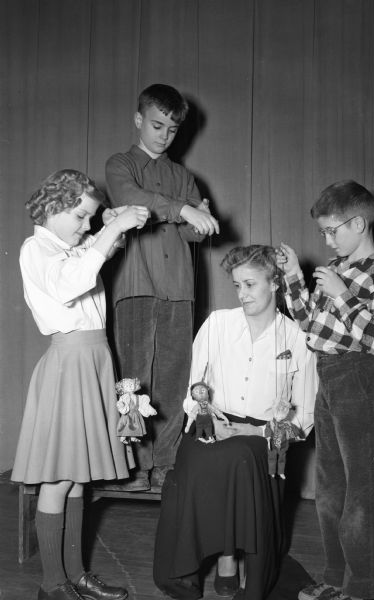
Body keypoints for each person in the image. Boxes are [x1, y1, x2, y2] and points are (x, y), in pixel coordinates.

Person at [11, 169, 149, 600]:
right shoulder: (37, 248)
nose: (85, 225)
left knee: (77, 479)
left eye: (89, 218)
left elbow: (96, 252)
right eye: (79, 215)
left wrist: (113, 225)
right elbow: (72, 283)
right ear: (53, 207)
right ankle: (53, 584)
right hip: (69, 362)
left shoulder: (68, 247)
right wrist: (112, 229)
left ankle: (76, 574)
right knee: (58, 479)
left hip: (94, 359)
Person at [153, 245, 317, 600]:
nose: (242, 294)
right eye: (237, 286)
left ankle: (243, 567)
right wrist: (208, 417)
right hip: (215, 422)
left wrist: (258, 430)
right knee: (194, 458)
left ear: (275, 283)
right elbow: (191, 393)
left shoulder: (299, 337)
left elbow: (304, 419)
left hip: (265, 434)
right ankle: (206, 565)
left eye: (250, 284)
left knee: (241, 457)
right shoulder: (217, 324)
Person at [277, 181, 374, 600]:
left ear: (359, 222)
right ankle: (336, 578)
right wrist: (294, 276)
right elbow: (309, 325)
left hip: (361, 376)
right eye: (323, 234)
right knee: (330, 487)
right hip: (329, 373)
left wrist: (345, 296)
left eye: (333, 231)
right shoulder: (340, 269)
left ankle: (364, 589)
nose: (328, 240)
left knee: (363, 491)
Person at [105, 83, 219, 491]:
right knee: (133, 380)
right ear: (139, 120)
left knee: (173, 379)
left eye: (171, 130)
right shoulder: (120, 164)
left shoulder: (184, 176)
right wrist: (183, 209)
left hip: (179, 288)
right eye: (156, 125)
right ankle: (134, 468)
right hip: (135, 284)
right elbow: (133, 202)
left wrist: (197, 219)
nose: (164, 135)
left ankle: (166, 465)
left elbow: (191, 234)